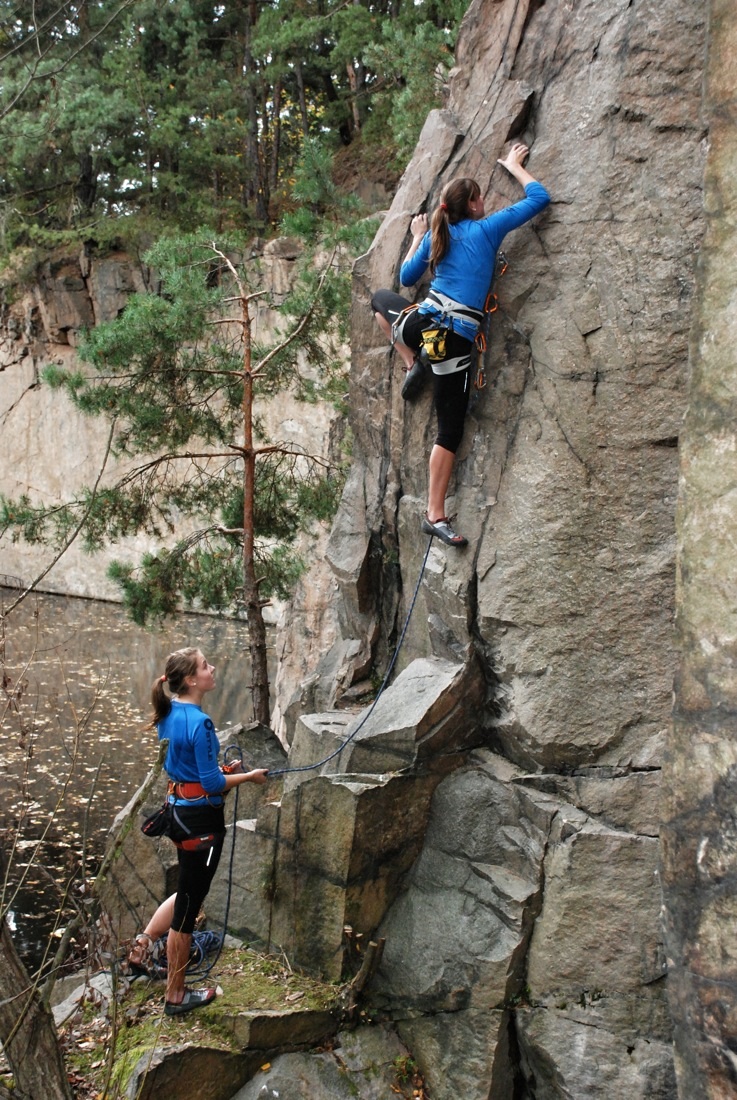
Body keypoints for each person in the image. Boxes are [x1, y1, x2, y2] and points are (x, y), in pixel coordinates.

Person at [372, 143, 550, 547]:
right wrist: (514, 166)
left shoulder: (439, 235)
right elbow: (539, 198)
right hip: (452, 344)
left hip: (420, 325)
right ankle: (434, 515)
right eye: (480, 197)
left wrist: (418, 237)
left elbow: (406, 278)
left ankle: (411, 361)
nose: (484, 203)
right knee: (449, 430)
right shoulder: (486, 229)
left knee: (380, 302)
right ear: (472, 205)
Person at [128, 646, 269, 1016]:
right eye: (206, 666)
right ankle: (176, 995)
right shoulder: (202, 723)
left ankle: (142, 945)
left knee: (187, 890)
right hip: (201, 825)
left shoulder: (168, 712)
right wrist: (248, 777)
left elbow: (189, 768)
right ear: (191, 680)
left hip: (178, 813)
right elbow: (210, 784)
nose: (213, 668)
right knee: (188, 909)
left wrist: (222, 771)